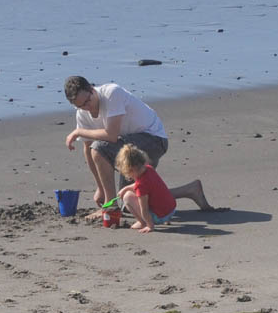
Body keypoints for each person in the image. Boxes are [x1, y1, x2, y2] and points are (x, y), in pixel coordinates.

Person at [64, 75, 214, 213]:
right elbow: (87, 149)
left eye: (87, 101)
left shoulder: (111, 93)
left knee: (99, 148)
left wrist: (78, 132)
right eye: (81, 106)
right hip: (128, 147)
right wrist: (100, 188)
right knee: (127, 200)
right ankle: (190, 190)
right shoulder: (82, 114)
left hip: (153, 140)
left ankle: (110, 207)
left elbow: (111, 135)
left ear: (91, 89)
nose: (87, 107)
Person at [116, 144, 175, 232]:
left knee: (127, 197)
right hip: (171, 210)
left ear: (131, 170)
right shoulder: (149, 169)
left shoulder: (141, 186)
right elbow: (142, 184)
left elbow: (144, 209)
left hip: (160, 216)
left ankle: (142, 222)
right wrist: (125, 188)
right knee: (128, 192)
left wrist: (150, 226)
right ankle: (163, 219)